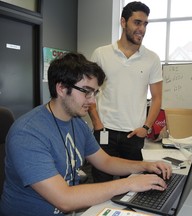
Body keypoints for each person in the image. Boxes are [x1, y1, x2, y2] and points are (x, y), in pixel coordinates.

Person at [0, 52, 172, 216]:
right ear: (61, 88)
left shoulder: (77, 123)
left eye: (95, 93)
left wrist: (145, 166)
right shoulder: (28, 134)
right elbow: (64, 199)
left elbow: (105, 161)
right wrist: (130, 183)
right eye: (86, 91)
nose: (92, 101)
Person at [89, 1, 163, 183]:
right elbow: (89, 93)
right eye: (137, 22)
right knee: (101, 184)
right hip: (105, 132)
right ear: (123, 22)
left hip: (134, 135)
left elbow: (157, 98)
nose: (142, 29)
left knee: (133, 186)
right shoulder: (101, 54)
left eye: (145, 24)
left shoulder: (152, 59)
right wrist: (97, 123)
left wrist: (146, 128)